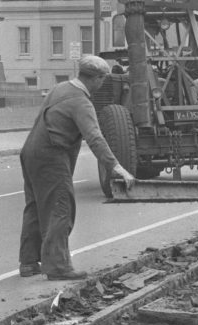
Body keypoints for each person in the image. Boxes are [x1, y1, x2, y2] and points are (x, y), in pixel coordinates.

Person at [18, 55, 135, 280]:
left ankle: (29, 262)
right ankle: (57, 267)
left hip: (31, 151)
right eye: (103, 80)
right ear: (98, 79)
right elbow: (95, 137)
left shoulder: (60, 88)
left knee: (34, 207)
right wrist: (116, 167)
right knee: (61, 207)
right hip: (51, 155)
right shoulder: (81, 102)